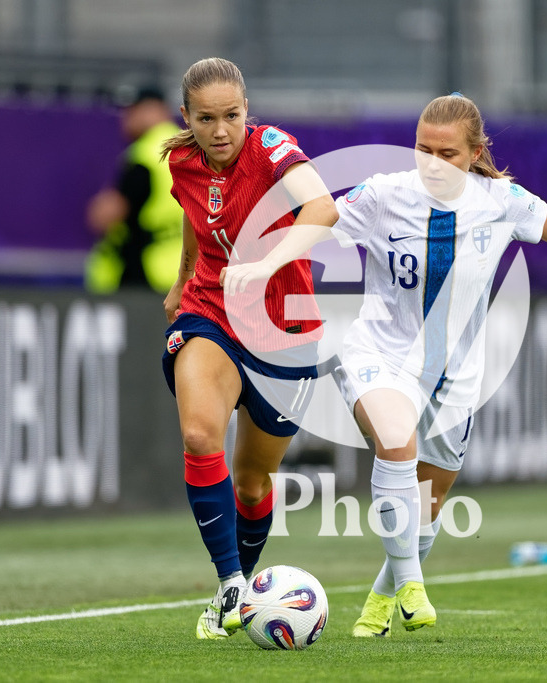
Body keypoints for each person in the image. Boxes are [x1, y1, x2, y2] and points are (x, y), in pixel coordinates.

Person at [222, 92, 547, 635]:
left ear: (475, 152)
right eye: (422, 149)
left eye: (447, 153)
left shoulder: (501, 201)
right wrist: (265, 262)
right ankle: (412, 585)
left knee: (427, 508)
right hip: (377, 351)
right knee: (395, 438)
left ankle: (384, 597)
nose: (431, 162)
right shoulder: (385, 194)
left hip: (455, 375)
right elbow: (321, 225)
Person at [158, 57, 338, 640]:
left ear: (246, 111)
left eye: (231, 115)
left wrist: (267, 264)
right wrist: (182, 278)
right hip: (210, 311)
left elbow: (323, 208)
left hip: (284, 333)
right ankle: (232, 582)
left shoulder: (272, 148)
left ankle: (240, 588)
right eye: (206, 118)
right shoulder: (183, 160)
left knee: (254, 481)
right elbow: (194, 213)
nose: (220, 131)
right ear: (187, 116)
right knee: (198, 434)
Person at [85, 87, 185, 294]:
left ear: (150, 110)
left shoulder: (145, 155)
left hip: (147, 272)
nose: (125, 119)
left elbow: (106, 217)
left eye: (130, 111)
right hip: (185, 271)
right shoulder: (190, 148)